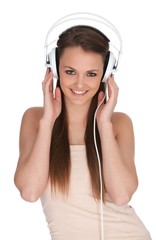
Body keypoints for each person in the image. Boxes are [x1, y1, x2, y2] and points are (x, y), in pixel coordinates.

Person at [14, 23, 152, 240]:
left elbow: (121, 195)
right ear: (54, 67)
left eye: (91, 73)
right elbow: (30, 192)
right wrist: (48, 120)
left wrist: (104, 124)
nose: (80, 83)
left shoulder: (119, 123)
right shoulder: (36, 119)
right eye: (70, 71)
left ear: (106, 75)